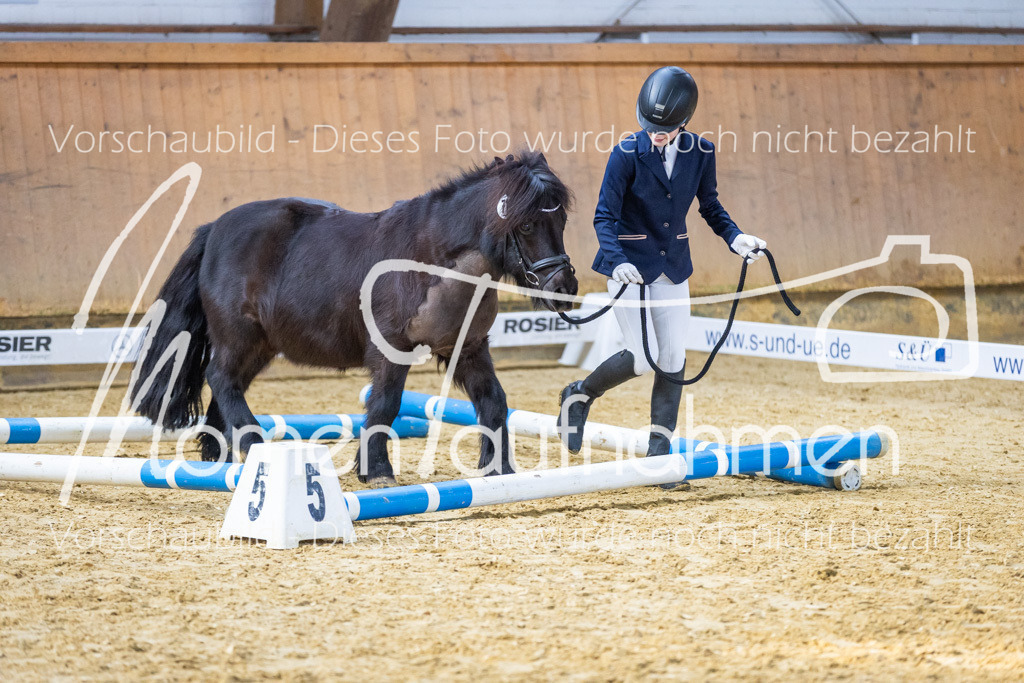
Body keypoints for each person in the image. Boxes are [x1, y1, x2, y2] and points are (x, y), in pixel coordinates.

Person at [556, 66, 767, 482]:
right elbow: (604, 216)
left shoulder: (701, 153)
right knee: (639, 359)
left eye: (665, 128)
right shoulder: (625, 153)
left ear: (684, 122)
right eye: (650, 126)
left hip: (672, 267)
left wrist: (736, 238)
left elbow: (710, 207)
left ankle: (658, 453)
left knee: (671, 359)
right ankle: (579, 395)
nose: (656, 133)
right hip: (628, 268)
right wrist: (617, 261)